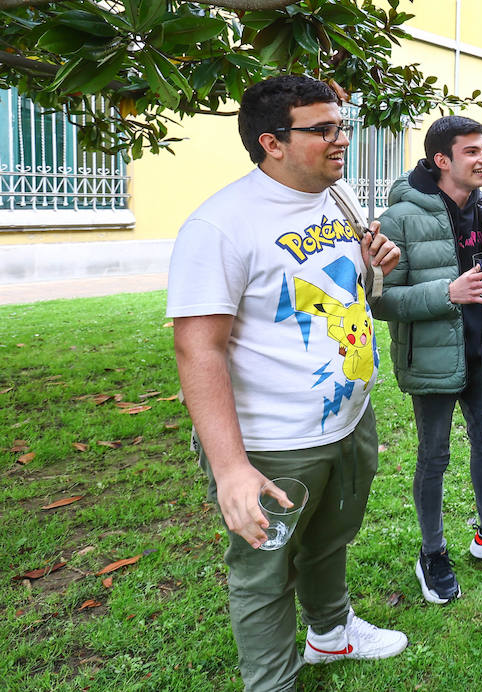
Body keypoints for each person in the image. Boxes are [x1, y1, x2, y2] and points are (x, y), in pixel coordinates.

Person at [167, 75, 408, 692]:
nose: (341, 139)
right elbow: (198, 349)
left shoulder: (337, 195)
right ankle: (272, 683)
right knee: (264, 573)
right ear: (271, 142)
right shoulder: (221, 226)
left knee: (330, 539)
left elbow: (342, 283)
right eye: (322, 129)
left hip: (348, 419)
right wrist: (231, 469)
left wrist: (373, 264)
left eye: (341, 126)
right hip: (274, 444)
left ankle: (331, 632)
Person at [373, 116, 482, 606]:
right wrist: (448, 292)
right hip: (433, 359)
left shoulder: (480, 205)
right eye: (472, 151)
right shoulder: (400, 218)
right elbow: (380, 300)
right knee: (434, 457)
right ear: (442, 160)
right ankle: (433, 553)